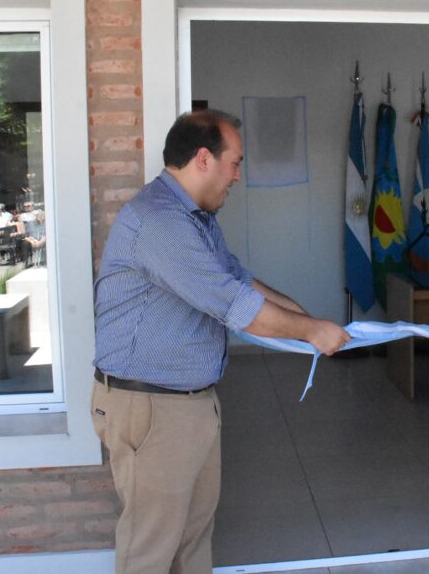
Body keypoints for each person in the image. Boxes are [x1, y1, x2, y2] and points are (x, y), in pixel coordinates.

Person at [91, 109, 350, 574]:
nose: (237, 175)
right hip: (151, 408)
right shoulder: (159, 222)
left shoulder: (197, 220)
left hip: (187, 405)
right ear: (205, 159)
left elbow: (239, 281)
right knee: (150, 549)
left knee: (192, 541)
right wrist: (312, 332)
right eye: (235, 162)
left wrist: (306, 319)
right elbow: (234, 305)